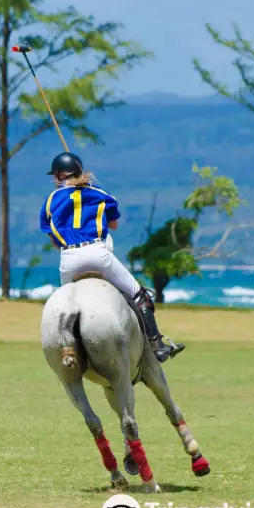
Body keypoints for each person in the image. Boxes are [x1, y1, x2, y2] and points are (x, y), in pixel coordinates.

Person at [39, 151, 185, 363]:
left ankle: (68, 349)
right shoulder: (100, 193)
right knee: (139, 294)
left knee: (65, 305)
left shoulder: (51, 200)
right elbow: (113, 224)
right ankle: (157, 344)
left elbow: (54, 241)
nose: (54, 179)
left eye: (55, 175)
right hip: (98, 253)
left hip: (69, 257)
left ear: (62, 176)